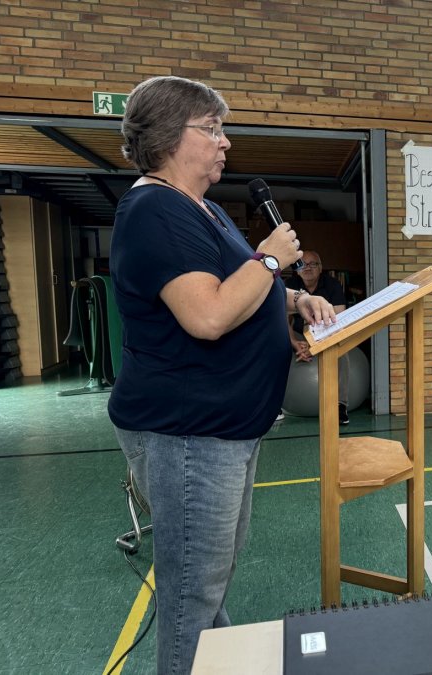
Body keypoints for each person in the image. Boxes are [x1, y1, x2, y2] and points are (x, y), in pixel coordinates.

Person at [108, 75, 336, 675]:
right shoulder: (155, 209)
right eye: (211, 129)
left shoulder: (200, 209)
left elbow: (236, 287)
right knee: (192, 596)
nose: (225, 142)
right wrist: (270, 256)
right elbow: (207, 316)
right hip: (188, 433)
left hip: (223, 430)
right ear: (168, 138)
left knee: (206, 586)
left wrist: (295, 299)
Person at [286, 250, 351, 424]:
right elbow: (281, 317)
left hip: (326, 333)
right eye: (303, 264)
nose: (307, 268)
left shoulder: (333, 285)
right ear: (297, 269)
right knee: (275, 345)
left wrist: (314, 346)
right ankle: (274, 405)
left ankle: (340, 405)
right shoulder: (290, 285)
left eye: (313, 264)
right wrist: (293, 342)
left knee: (343, 354)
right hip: (299, 334)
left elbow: (339, 320)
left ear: (320, 268)